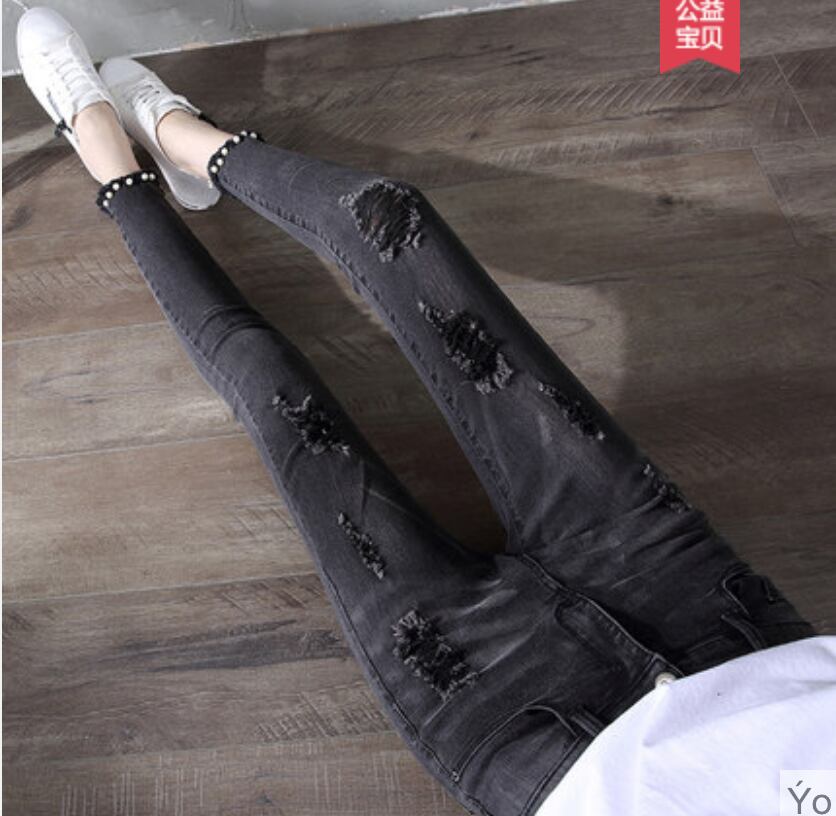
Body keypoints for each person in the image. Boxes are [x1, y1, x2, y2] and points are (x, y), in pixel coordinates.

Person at [15, 8, 836, 816]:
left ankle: (102, 147)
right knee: (392, 217)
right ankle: (190, 142)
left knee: (270, 387)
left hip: (514, 730)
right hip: (721, 620)